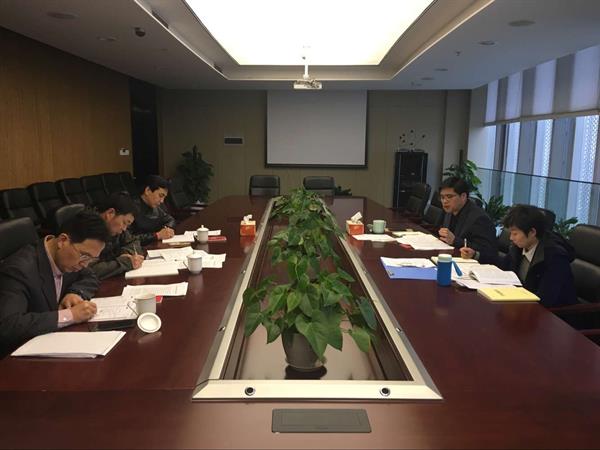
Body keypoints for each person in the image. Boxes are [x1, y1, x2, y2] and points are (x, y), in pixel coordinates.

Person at [0, 210, 109, 355]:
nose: (85, 264)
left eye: (92, 259)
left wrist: (75, 293)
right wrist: (70, 315)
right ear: (63, 240)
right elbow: (8, 325)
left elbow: (90, 276)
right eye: (85, 256)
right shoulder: (19, 270)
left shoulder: (70, 258)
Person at [461, 204, 577, 307]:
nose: (511, 238)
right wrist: (476, 255)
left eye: (515, 233)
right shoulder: (519, 247)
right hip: (520, 304)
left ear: (532, 232)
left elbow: (546, 300)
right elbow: (504, 265)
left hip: (552, 316)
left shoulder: (555, 257)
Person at [89, 192, 144, 280]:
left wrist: (126, 255)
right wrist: (125, 262)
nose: (124, 229)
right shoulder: (87, 229)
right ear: (110, 213)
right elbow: (88, 271)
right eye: (124, 223)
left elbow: (133, 241)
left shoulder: (115, 228)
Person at [437, 177, 497, 256]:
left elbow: (487, 252)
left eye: (449, 197)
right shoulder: (449, 210)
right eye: (442, 197)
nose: (444, 201)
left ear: (463, 196)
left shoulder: (480, 219)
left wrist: (455, 240)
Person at [131, 175, 176, 245]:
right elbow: (128, 239)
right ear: (147, 190)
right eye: (160, 196)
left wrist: (167, 230)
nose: (162, 201)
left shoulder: (155, 206)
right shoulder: (131, 208)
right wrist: (157, 235)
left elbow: (170, 219)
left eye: (164, 197)